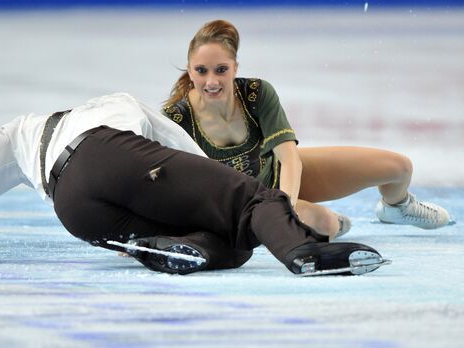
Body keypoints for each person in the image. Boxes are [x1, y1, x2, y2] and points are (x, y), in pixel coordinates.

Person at [0, 92, 388, 276]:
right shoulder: (120, 102)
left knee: (233, 246)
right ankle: (302, 254)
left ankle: (179, 249)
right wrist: (249, 197)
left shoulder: (17, 133)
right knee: (250, 204)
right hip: (109, 154)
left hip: (75, 211)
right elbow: (186, 153)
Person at [162, 19, 451, 238]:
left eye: (220, 70)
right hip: (238, 207)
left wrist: (283, 207)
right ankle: (328, 223)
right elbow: (159, 183)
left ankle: (395, 208)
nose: (211, 81)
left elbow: (289, 160)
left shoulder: (256, 93)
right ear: (190, 70)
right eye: (201, 71)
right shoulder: (175, 119)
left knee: (399, 167)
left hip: (279, 180)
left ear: (235, 67)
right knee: (325, 225)